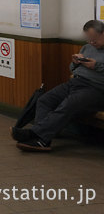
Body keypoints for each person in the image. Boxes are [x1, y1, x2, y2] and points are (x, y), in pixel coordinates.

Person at [11, 20, 104, 152]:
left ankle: (36, 135)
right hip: (76, 82)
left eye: (94, 39)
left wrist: (96, 66)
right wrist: (76, 63)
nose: (92, 43)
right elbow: (72, 69)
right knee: (45, 100)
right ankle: (43, 138)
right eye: (89, 40)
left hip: (97, 89)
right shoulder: (87, 47)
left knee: (68, 104)